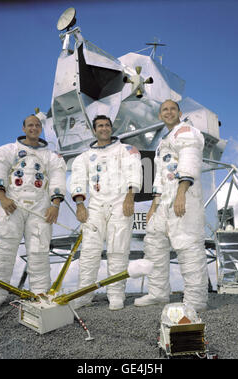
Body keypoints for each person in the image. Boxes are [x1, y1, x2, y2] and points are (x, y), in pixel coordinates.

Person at [0, 115, 67, 312]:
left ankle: (39, 295)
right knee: (4, 251)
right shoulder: (7, 151)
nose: (34, 128)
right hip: (12, 205)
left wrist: (55, 205)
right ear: (23, 128)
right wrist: (3, 197)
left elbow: (57, 179)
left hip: (40, 208)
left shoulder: (51, 156)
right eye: (30, 125)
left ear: (40, 129)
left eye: (37, 125)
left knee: (39, 252)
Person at [134, 100, 208, 311]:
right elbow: (159, 176)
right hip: (164, 202)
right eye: (164, 110)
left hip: (184, 198)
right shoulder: (163, 142)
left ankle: (195, 301)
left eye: (172, 109)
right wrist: (153, 206)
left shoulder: (186, 132)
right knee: (154, 244)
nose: (168, 112)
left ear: (179, 112)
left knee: (188, 246)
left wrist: (181, 194)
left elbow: (189, 162)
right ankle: (158, 293)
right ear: (160, 115)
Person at [70, 115, 142, 311]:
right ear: (94, 130)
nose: (104, 128)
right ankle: (84, 294)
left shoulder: (127, 150)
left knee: (118, 250)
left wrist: (130, 197)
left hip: (120, 203)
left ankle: (116, 294)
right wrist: (79, 204)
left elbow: (134, 172)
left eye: (107, 125)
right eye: (100, 126)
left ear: (111, 128)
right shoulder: (84, 157)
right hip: (95, 206)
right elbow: (77, 179)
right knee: (89, 252)